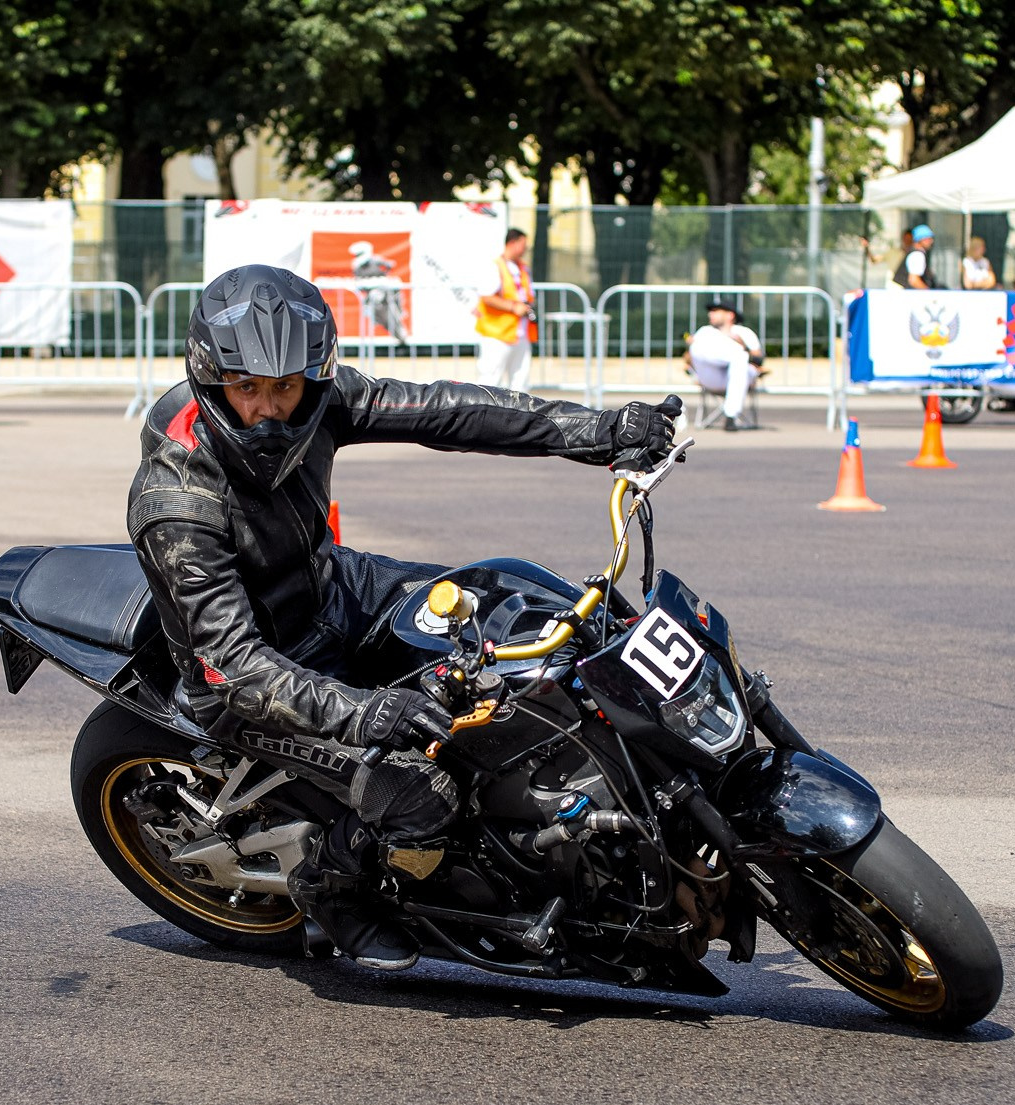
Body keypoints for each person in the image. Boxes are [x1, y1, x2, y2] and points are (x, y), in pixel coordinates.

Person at [131, 264, 681, 968]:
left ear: (312, 378)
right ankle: (332, 887)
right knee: (421, 789)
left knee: (512, 596)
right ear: (212, 381)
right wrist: (367, 714)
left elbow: (446, 409)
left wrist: (594, 430)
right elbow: (236, 666)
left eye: (286, 388)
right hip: (251, 681)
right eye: (248, 390)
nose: (269, 409)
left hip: (334, 589)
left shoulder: (320, 400)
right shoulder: (178, 502)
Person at [683, 298, 764, 431]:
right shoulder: (705, 331)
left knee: (740, 359)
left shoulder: (743, 332)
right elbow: (690, 358)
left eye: (715, 311)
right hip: (713, 375)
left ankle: (730, 415)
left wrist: (743, 346)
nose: (710, 314)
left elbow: (759, 360)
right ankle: (731, 415)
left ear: (730, 314)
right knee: (696, 346)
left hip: (740, 375)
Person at [475, 227, 535, 389]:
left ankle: (518, 415)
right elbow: (487, 297)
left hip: (520, 332)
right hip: (498, 334)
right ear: (513, 243)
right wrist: (513, 307)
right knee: (491, 383)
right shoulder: (495, 266)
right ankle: (485, 415)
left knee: (520, 384)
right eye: (523, 244)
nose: (525, 249)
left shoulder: (523, 268)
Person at [348, 240, 407, 341]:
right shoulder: (357, 266)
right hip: (373, 299)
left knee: (392, 312)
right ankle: (396, 332)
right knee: (382, 318)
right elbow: (359, 282)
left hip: (385, 296)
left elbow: (389, 265)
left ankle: (400, 313)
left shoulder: (376, 261)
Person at [896, 224, 937, 289]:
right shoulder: (917, 255)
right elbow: (914, 280)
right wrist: (930, 294)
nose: (931, 241)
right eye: (928, 239)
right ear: (921, 239)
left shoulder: (915, 253)